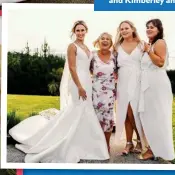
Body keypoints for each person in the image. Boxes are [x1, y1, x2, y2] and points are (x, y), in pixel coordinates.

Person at [9, 20, 109, 163]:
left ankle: (84, 144)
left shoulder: (87, 47)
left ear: (86, 31)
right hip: (77, 82)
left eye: (82, 30)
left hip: (88, 80)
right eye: (77, 30)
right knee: (77, 109)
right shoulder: (72, 46)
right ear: (74, 32)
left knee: (85, 110)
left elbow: (90, 66)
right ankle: (65, 142)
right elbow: (73, 68)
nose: (80, 33)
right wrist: (80, 87)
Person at [137, 19, 175, 161]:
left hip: (156, 85)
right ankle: (152, 148)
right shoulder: (151, 44)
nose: (148, 29)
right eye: (147, 27)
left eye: (152, 27)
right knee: (149, 116)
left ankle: (154, 150)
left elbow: (160, 62)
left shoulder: (160, 43)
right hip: (148, 85)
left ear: (159, 29)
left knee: (157, 117)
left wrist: (147, 51)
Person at [113, 20, 144, 155]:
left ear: (132, 29)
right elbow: (112, 63)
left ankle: (141, 141)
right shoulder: (116, 46)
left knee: (134, 111)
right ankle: (129, 143)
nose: (124, 30)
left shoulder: (141, 44)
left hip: (138, 80)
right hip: (123, 80)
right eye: (122, 29)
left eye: (126, 28)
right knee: (125, 112)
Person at [90, 32, 117, 153]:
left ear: (111, 43)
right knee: (95, 117)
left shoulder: (115, 56)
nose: (105, 41)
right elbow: (87, 71)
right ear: (98, 41)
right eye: (102, 39)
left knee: (108, 118)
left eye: (107, 39)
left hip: (110, 92)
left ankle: (106, 145)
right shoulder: (92, 55)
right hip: (95, 91)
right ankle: (95, 144)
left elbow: (119, 71)